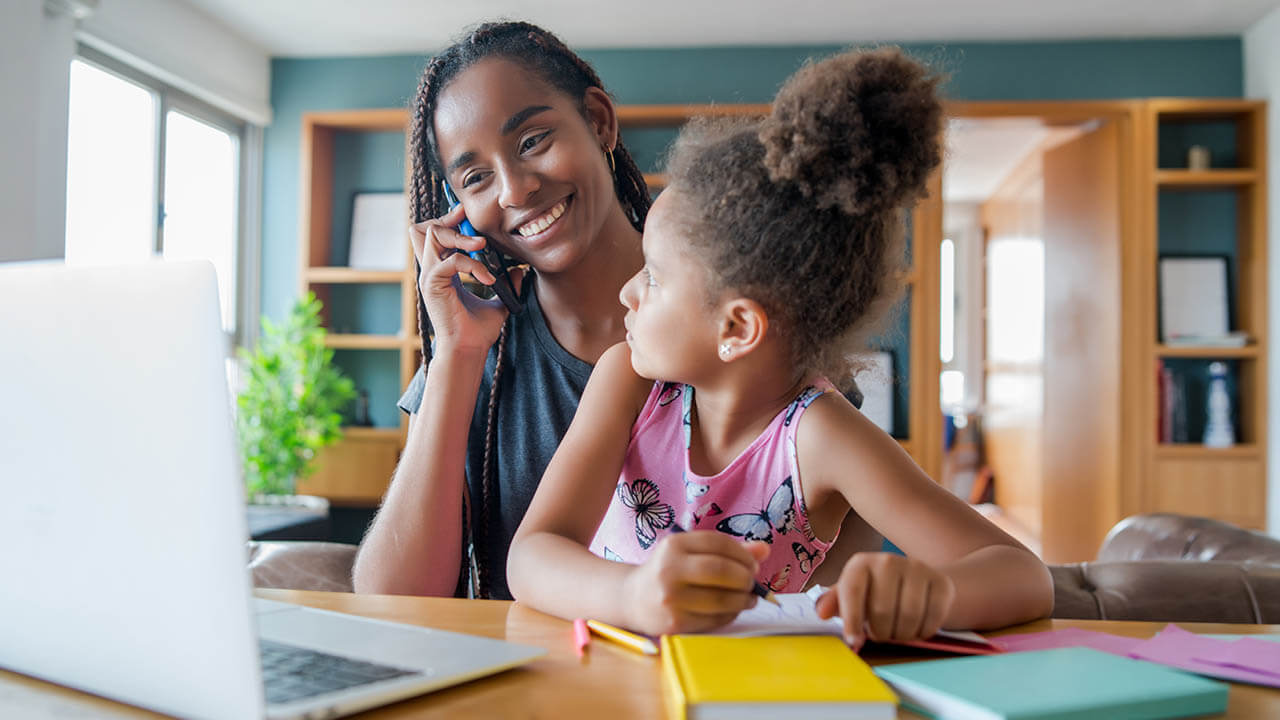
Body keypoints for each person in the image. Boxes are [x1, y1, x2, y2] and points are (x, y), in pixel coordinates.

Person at [507, 47, 1054, 647]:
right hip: (595, 681)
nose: (628, 292)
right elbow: (531, 557)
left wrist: (932, 591)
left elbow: (1024, 576)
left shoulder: (823, 436)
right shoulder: (628, 383)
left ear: (738, 329)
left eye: (656, 278)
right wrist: (632, 595)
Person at [351, 21, 651, 600]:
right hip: (522, 686)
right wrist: (457, 356)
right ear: (456, 210)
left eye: (533, 140)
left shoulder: (735, 318)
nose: (514, 190)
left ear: (598, 121)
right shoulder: (475, 356)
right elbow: (396, 605)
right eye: (476, 178)